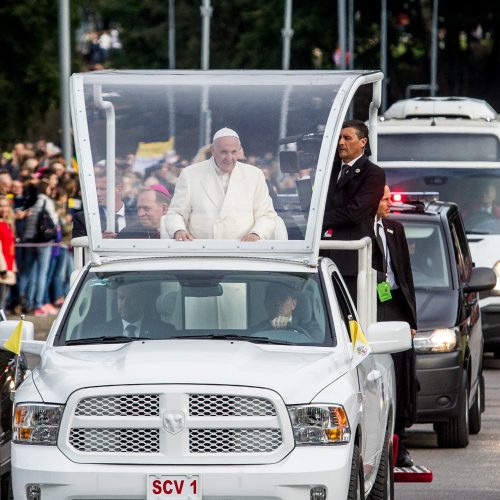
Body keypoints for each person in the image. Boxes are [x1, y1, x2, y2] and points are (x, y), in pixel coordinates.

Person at [161, 127, 278, 241]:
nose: (229, 158)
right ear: (213, 150)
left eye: (233, 152)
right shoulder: (190, 174)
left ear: (239, 151)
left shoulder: (254, 175)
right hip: (201, 250)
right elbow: (176, 213)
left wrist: (256, 233)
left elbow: (266, 215)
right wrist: (179, 230)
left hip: (244, 250)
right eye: (224, 152)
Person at [374, 185, 418, 468]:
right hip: (372, 307)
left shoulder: (395, 229)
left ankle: (399, 441)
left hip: (395, 306)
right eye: (384, 198)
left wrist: (411, 321)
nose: (390, 201)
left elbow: (405, 276)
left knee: (402, 374)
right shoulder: (360, 231)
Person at [322, 119, 385, 303]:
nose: (341, 142)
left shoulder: (373, 173)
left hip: (352, 261)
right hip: (324, 254)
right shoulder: (328, 170)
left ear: (363, 142)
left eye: (347, 138)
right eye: (339, 138)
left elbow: (355, 212)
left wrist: (320, 219)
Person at [94, 282, 175, 339]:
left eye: (130, 298)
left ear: (142, 300)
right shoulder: (101, 332)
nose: (125, 303)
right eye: (121, 298)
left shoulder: (164, 331)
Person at [72, 170, 136, 239]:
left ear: (119, 189)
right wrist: (99, 241)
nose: (98, 193)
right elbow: (79, 247)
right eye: (96, 189)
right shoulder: (83, 218)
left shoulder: (137, 217)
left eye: (103, 189)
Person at [253, 283, 323, 342]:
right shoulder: (257, 330)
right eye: (272, 298)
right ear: (266, 304)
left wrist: (289, 326)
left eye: (283, 298)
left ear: (294, 303)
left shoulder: (309, 328)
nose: (277, 303)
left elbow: (318, 343)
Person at [0, 196, 17, 312]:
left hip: (9, 266)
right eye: (1, 206)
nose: (4, 209)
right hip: (2, 269)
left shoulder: (7, 224)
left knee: (3, 302)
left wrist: (13, 266)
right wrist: (2, 268)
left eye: (6, 206)